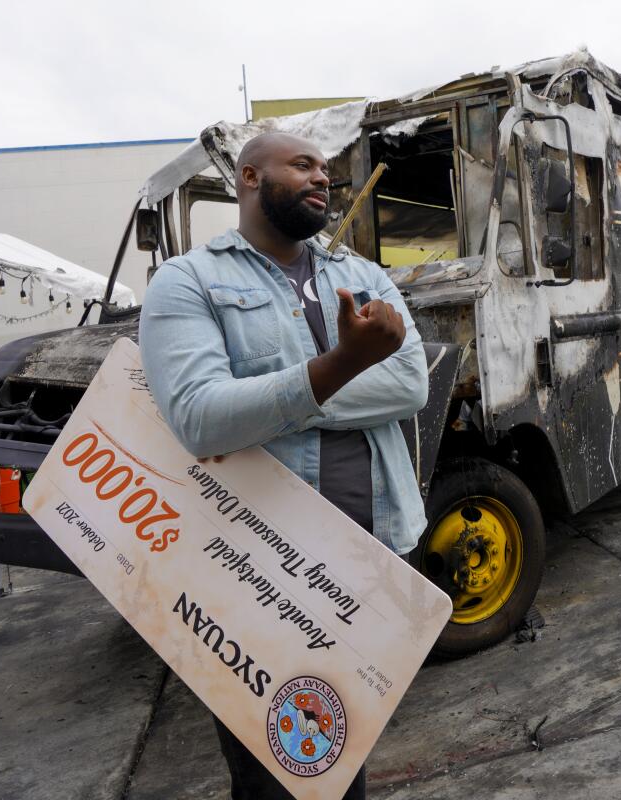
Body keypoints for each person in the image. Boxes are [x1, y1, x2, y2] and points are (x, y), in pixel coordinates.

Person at [139, 132, 429, 799]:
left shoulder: (358, 274)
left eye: (325, 169)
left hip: (376, 552)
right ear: (248, 176)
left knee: (346, 747)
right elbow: (201, 418)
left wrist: (282, 396)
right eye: (303, 165)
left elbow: (411, 384)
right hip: (259, 571)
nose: (322, 178)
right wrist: (340, 368)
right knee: (279, 771)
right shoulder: (189, 282)